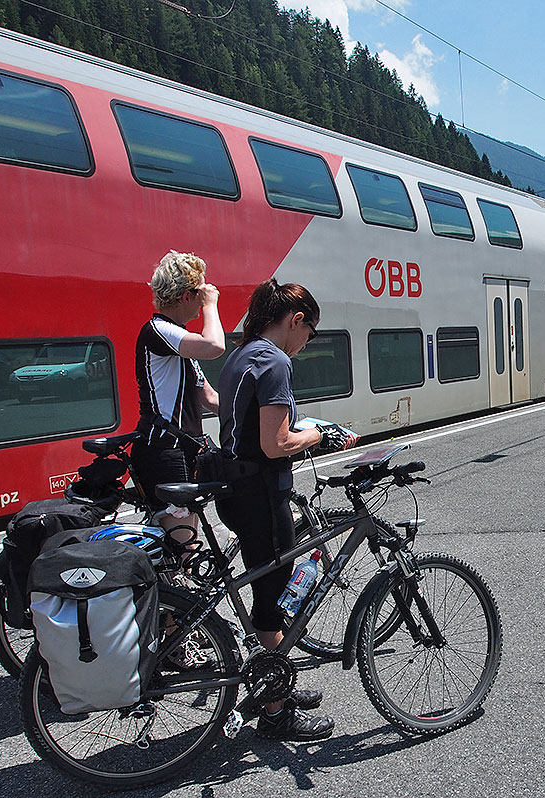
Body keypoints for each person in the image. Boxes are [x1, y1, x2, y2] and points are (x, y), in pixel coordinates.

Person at [216, 279, 356, 741]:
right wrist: (319, 435)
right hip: (261, 493)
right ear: (296, 321)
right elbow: (276, 443)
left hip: (236, 490)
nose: (306, 343)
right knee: (273, 603)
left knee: (265, 590)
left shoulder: (242, 352)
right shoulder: (275, 360)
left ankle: (274, 685)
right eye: (310, 333)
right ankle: (276, 714)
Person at [132, 250, 224, 545]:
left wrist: (259, 415)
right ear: (187, 296)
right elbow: (213, 345)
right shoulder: (159, 331)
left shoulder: (179, 343)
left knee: (186, 543)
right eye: (200, 294)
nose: (202, 302)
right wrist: (212, 305)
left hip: (183, 451)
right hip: (164, 450)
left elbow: (209, 397)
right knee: (183, 547)